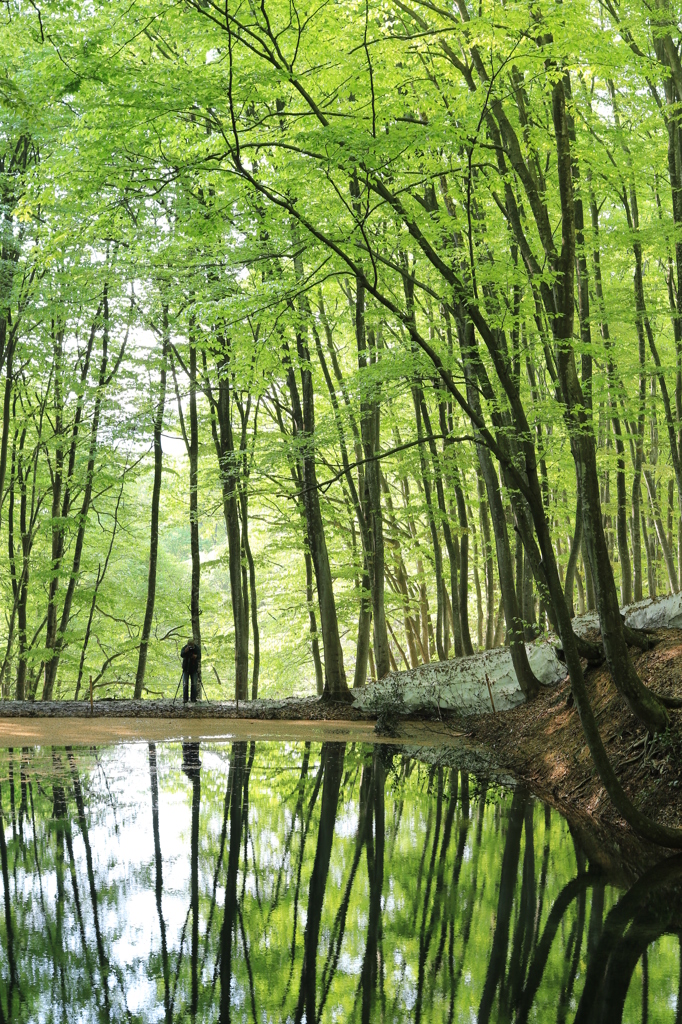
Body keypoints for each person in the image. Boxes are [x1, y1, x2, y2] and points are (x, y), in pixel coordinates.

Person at [180, 639, 201, 703]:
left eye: (191, 644)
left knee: (194, 684)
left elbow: (199, 657)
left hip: (194, 668)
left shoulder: (197, 648)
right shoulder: (185, 648)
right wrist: (185, 651)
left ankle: (193, 698)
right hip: (186, 668)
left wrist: (196, 656)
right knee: (185, 683)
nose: (190, 646)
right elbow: (182, 655)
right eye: (189, 644)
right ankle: (185, 699)